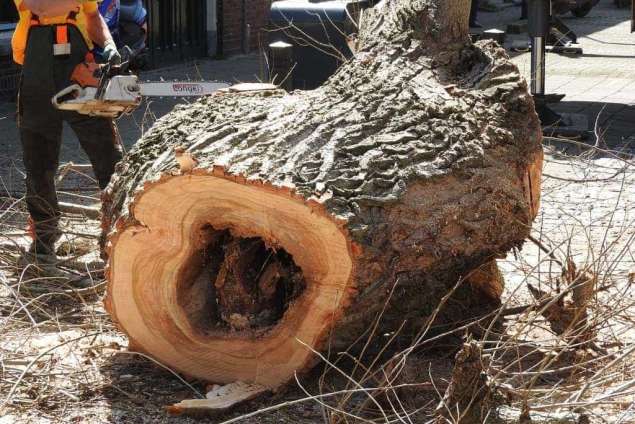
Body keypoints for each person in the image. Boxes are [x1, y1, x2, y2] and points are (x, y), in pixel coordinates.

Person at [12, 0, 123, 259]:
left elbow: (93, 16)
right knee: (38, 164)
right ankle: (44, 238)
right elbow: (41, 7)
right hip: (37, 76)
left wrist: (108, 45)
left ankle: (118, 232)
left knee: (108, 156)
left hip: (77, 70)